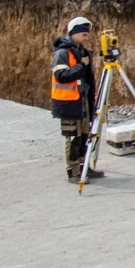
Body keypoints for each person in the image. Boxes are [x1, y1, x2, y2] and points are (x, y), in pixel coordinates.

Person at [51, 15, 104, 184]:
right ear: (74, 33)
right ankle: (73, 171)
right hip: (69, 103)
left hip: (83, 102)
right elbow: (61, 76)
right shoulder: (62, 53)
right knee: (73, 137)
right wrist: (81, 65)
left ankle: (84, 166)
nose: (86, 37)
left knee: (84, 136)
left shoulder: (80, 51)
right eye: (84, 34)